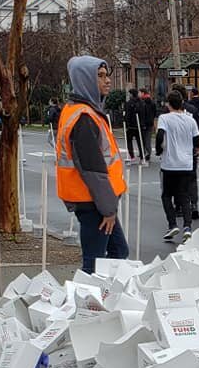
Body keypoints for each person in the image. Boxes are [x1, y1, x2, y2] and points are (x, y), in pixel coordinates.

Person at [55, 56, 128, 274]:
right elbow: (93, 169)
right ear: (85, 80)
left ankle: (100, 301)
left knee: (118, 253)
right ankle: (85, 304)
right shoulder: (83, 117)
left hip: (95, 201)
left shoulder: (83, 112)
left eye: (106, 75)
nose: (107, 81)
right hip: (92, 203)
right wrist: (108, 209)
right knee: (94, 266)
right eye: (100, 76)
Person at [156, 90, 199, 244]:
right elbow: (197, 139)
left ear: (168, 104)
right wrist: (196, 149)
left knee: (167, 195)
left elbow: (160, 135)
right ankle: (187, 227)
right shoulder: (190, 120)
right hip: (186, 163)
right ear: (182, 103)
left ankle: (172, 224)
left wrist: (159, 150)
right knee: (184, 196)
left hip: (169, 163)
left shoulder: (164, 118)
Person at [171, 83, 199, 219]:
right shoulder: (192, 110)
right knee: (191, 178)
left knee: (176, 178)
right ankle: (194, 204)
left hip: (175, 150)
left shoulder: (169, 111)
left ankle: (179, 206)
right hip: (190, 148)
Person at [123, 88, 144, 164]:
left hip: (131, 125)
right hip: (139, 125)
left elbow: (127, 114)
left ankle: (132, 156)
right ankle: (142, 156)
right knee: (140, 141)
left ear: (131, 94)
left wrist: (126, 122)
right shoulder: (141, 102)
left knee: (129, 141)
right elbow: (143, 113)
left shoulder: (129, 103)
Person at [139, 89, 157, 165]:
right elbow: (155, 112)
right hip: (150, 123)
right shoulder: (152, 102)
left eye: (140, 93)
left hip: (144, 123)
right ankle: (148, 153)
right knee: (148, 139)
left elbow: (142, 114)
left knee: (144, 139)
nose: (139, 94)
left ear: (143, 93)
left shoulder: (143, 102)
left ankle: (145, 154)